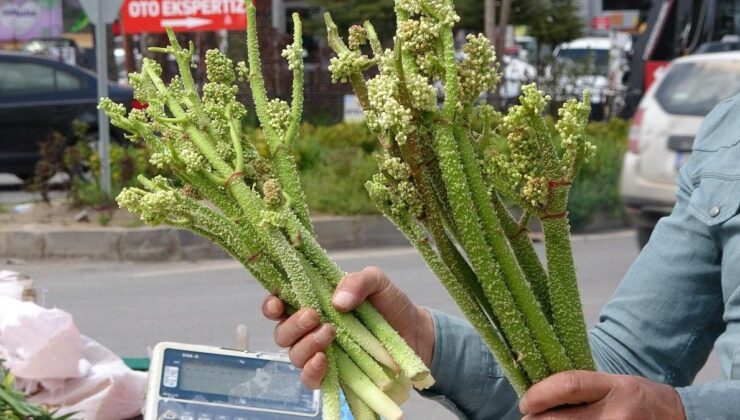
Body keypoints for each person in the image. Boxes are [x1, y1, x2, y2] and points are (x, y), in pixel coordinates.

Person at [261, 95, 740, 419]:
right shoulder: (729, 131)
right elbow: (622, 367)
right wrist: (418, 340)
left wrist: (679, 411)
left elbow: (650, 401)